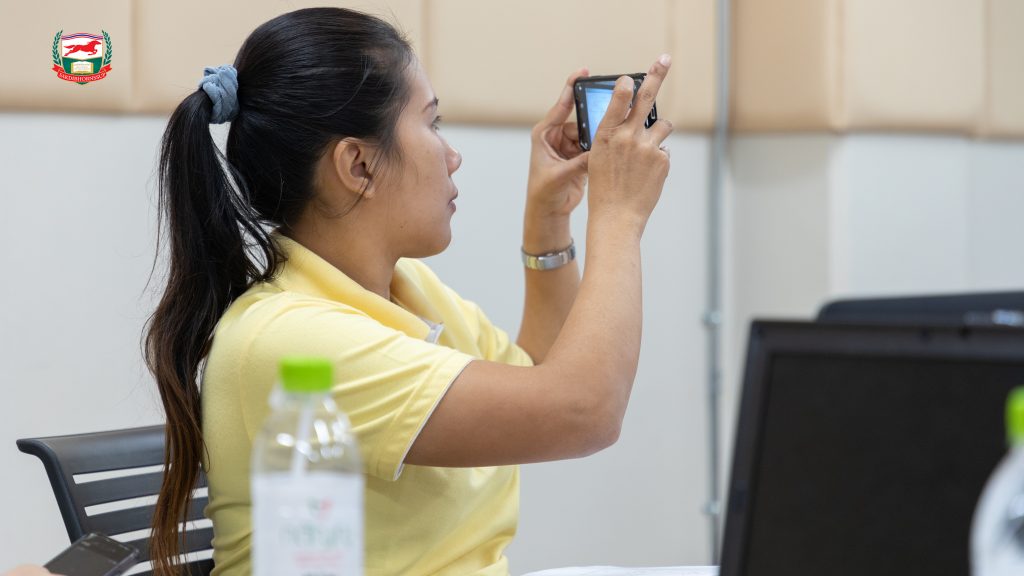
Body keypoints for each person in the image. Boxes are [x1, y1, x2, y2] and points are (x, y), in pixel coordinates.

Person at [145, 7, 672, 576]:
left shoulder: (402, 287)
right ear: (358, 165)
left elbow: (542, 379)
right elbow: (583, 412)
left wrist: (550, 218)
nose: (453, 157)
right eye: (433, 123)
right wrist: (619, 216)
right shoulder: (290, 340)